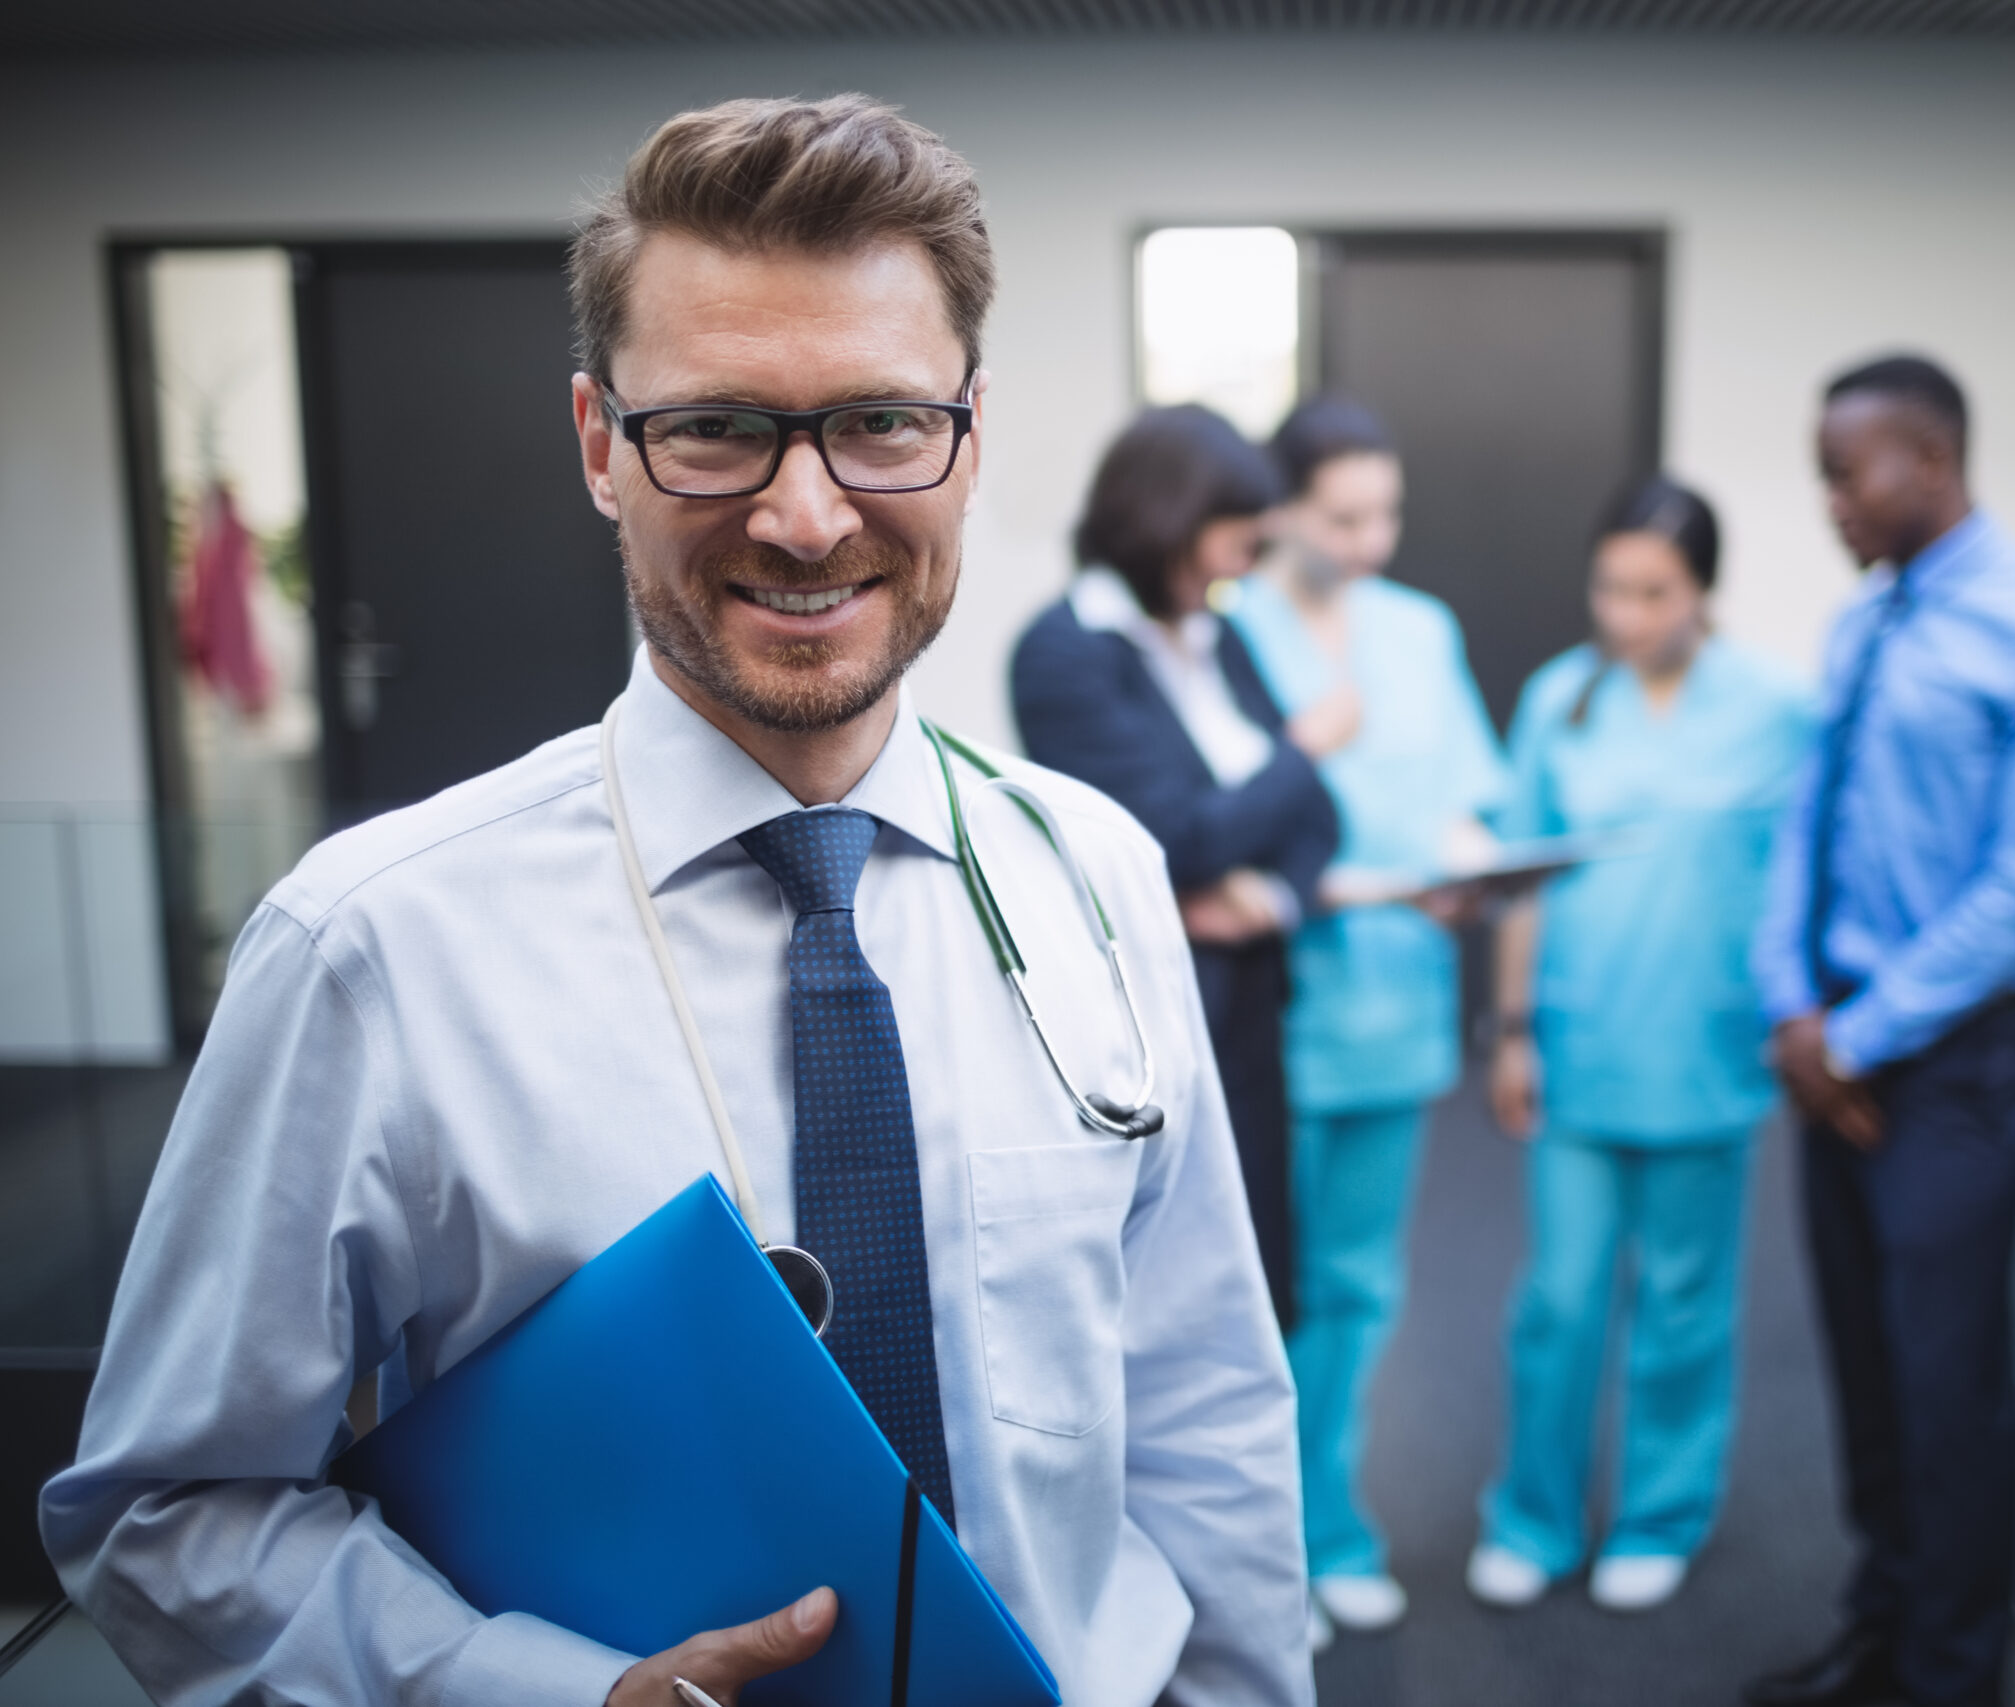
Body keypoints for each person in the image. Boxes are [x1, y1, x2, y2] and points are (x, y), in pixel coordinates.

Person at [42, 96, 1311, 1707]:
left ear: (970, 439)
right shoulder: (374, 944)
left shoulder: (1097, 873)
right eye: (715, 427)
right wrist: (539, 1691)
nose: (805, 513)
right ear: (598, 444)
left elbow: (1205, 1417)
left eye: (881, 422)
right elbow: (166, 1512)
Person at [1745, 355, 2015, 1707]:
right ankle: (1884, 1632)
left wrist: (1862, 1033)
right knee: (1862, 1360)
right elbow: (1806, 818)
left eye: (1848, 474)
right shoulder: (1863, 623)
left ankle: (1957, 1674)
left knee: (1949, 1381)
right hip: (1830, 1035)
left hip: (1955, 1060)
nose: (1831, 502)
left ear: (1932, 457)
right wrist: (1793, 1004)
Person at [1466, 477, 1816, 1617]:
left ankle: (1661, 1517)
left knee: (1684, 1303)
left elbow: (1808, 877)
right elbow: (1519, 881)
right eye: (1610, 588)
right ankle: (1533, 1515)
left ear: (1701, 589)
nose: (1625, 614)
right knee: (1559, 1300)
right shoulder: (1562, 699)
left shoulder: (1773, 706)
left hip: (1707, 1053)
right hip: (1578, 1044)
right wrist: (1511, 1034)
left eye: (1653, 592)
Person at [1226, 397, 1507, 1641]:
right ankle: (1246, 1548)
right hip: (1269, 1017)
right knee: (1247, 1298)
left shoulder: (1420, 632)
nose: (1372, 540)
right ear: (1281, 509)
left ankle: (1328, 1528)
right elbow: (1208, 813)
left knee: (1355, 1287)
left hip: (1395, 1001)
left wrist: (1469, 865)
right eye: (1344, 516)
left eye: (1386, 513)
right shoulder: (1229, 630)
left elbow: (1461, 798)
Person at [1010, 406, 1340, 1334]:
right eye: (1236, 538)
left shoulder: (1218, 636)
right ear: (1169, 521)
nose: (1245, 564)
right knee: (1162, 1305)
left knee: (1261, 1288)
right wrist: (1304, 749)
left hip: (1247, 999)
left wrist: (1268, 899)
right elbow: (1175, 841)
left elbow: (1319, 823)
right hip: (1145, 1016)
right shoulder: (1065, 651)